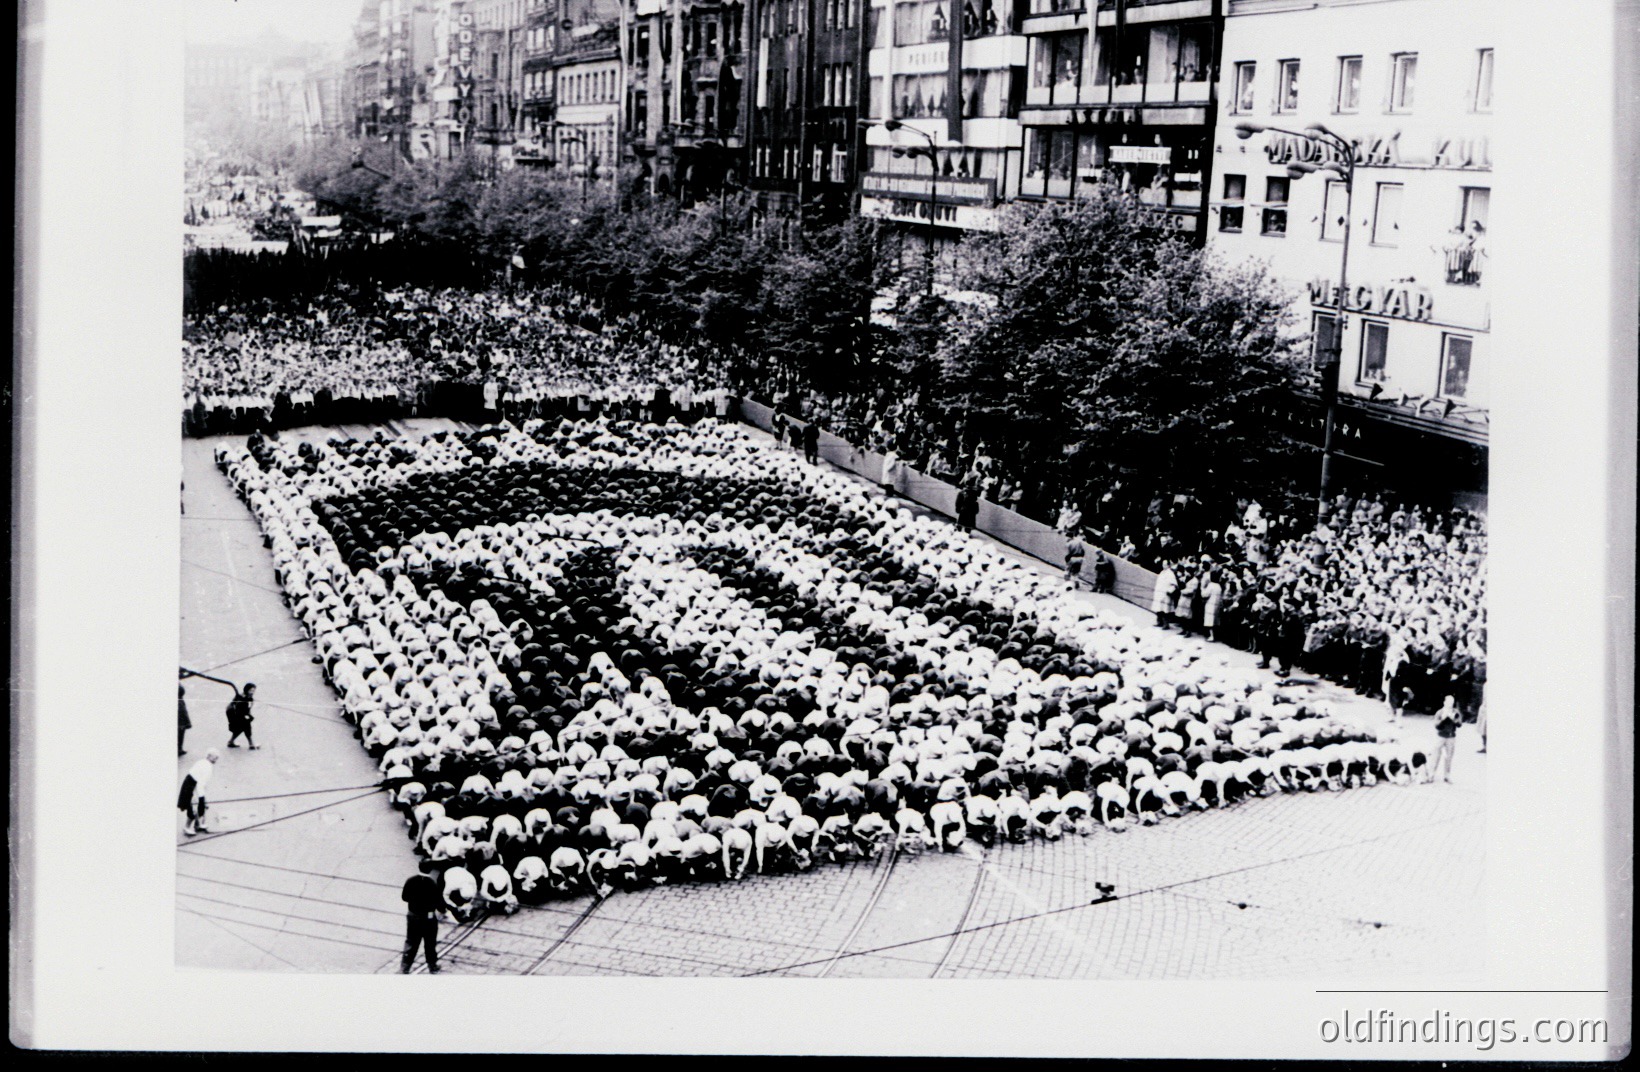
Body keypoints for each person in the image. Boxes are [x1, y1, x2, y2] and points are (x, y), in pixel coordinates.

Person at [400, 863, 443, 973]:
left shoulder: (411, 880)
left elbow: (404, 897)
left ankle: (405, 967)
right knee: (430, 942)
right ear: (431, 869)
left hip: (413, 915)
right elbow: (438, 902)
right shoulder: (432, 883)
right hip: (428, 917)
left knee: (411, 942)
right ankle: (432, 966)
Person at [178, 749, 221, 836]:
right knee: (193, 808)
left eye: (217, 758)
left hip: (191, 784)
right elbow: (201, 784)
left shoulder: (203, 762)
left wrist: (202, 799)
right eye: (214, 758)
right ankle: (187, 827)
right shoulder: (207, 767)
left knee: (200, 806)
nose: (216, 760)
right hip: (191, 786)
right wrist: (199, 797)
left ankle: (198, 824)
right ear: (209, 756)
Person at [1432, 694, 1460, 783]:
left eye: (1452, 702)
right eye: (1448, 702)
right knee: (1436, 756)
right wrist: (1443, 719)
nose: (1450, 704)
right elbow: (1436, 726)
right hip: (1440, 736)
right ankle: (1431, 774)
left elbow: (1459, 724)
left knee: (1449, 757)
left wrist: (1453, 719)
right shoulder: (1440, 712)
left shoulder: (1455, 712)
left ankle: (1447, 776)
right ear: (1444, 702)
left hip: (1451, 737)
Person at [225, 682, 259, 750]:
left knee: (240, 728)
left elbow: (248, 709)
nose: (252, 692)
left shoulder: (248, 698)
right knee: (245, 726)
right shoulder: (241, 698)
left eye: (253, 691)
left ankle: (231, 742)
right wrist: (248, 716)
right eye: (251, 690)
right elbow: (239, 711)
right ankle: (251, 744)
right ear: (246, 690)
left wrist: (249, 715)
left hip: (238, 714)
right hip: (233, 714)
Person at [178, 684, 192, 756]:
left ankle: (179, 748)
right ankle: (179, 749)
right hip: (180, 719)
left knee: (180, 733)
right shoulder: (179, 701)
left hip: (181, 719)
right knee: (180, 733)